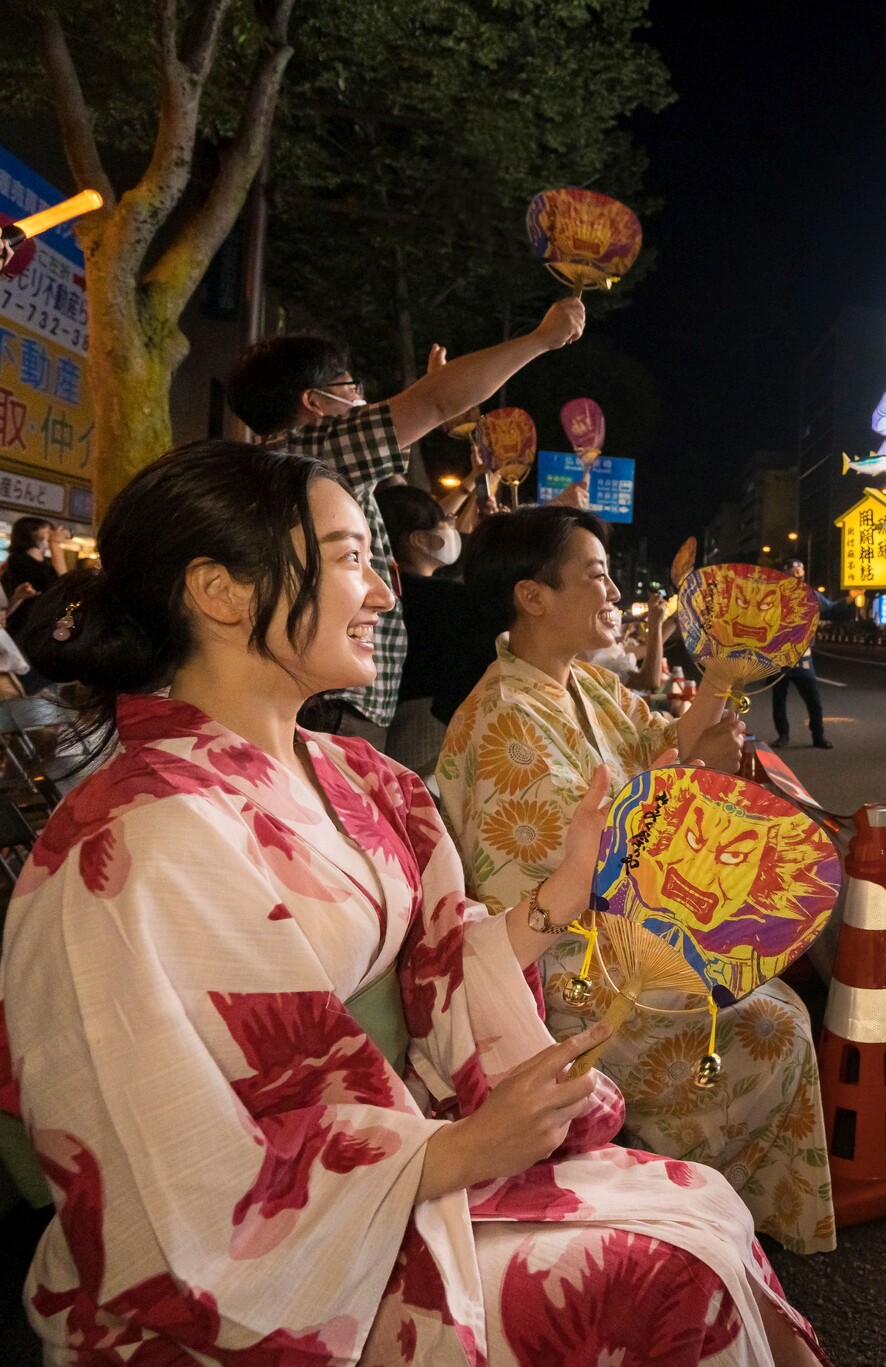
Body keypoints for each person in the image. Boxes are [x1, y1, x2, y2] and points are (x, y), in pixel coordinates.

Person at [1, 442, 824, 1364]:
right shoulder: (129, 841)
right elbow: (160, 1155)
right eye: (351, 558)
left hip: (388, 1156)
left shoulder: (361, 771)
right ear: (222, 591)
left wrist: (562, 887)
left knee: (700, 1206)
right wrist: (461, 1151)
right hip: (281, 1248)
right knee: (667, 1267)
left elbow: (434, 957)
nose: (387, 594)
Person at [438, 506, 836, 1254]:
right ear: (533, 596)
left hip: (615, 931)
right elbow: (574, 870)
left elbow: (665, 745)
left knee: (768, 986)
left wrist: (720, 676)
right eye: (594, 574)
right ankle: (683, 1215)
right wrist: (681, 771)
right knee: (771, 1022)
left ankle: (710, 1210)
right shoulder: (503, 719)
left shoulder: (581, 686)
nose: (614, 589)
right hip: (560, 969)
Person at [226, 298, 588, 749]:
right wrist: (540, 339)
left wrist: (435, 395)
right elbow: (435, 404)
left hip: (335, 699)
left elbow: (431, 405)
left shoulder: (288, 466)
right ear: (315, 401)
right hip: (333, 705)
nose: (362, 400)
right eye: (351, 387)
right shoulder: (311, 451)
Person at [372, 483, 492, 777]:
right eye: (443, 524)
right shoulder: (446, 600)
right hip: (425, 733)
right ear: (418, 540)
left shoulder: (381, 593)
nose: (449, 530)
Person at [770, 560, 830, 750]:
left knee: (813, 699)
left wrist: (850, 599)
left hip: (803, 656)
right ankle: (783, 735)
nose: (797, 574)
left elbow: (831, 608)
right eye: (793, 571)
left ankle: (818, 735)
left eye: (800, 570)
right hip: (780, 656)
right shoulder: (775, 595)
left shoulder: (811, 594)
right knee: (779, 698)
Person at [2, 514, 60, 603]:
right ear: (33, 534)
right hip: (25, 612)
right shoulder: (17, 560)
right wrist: (54, 543)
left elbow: (62, 581)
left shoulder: (47, 561)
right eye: (47, 532)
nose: (51, 536)